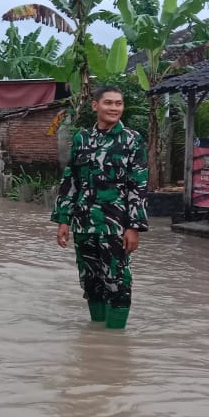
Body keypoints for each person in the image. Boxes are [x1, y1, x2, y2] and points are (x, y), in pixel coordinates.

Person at [51, 86, 148, 330]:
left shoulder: (132, 139)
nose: (114, 108)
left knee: (117, 280)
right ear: (95, 105)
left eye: (118, 103)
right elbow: (71, 180)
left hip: (115, 224)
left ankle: (115, 338)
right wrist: (64, 219)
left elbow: (138, 185)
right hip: (84, 223)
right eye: (108, 103)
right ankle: (96, 335)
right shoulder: (82, 138)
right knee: (90, 281)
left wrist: (134, 226)